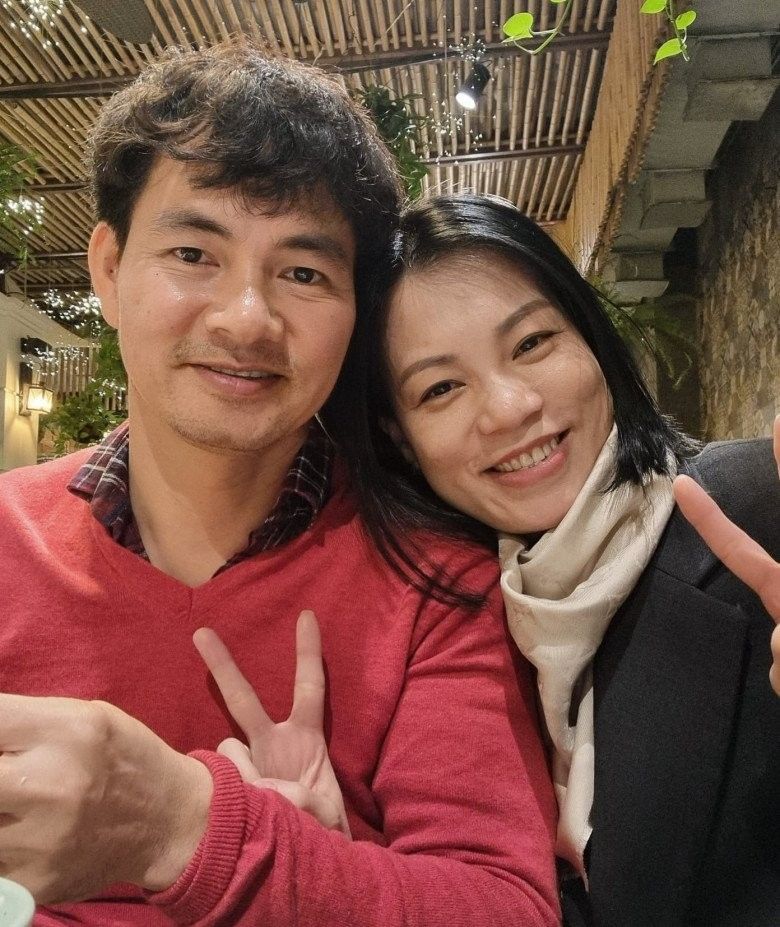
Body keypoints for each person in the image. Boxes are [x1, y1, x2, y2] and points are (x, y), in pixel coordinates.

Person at [0, 55, 561, 925]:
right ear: (108, 269)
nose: (247, 318)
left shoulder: (434, 582)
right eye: (193, 253)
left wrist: (186, 828)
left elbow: (505, 907)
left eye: (303, 273)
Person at [313, 194, 779, 927]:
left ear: (589, 337)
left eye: (531, 343)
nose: (508, 407)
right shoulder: (456, 632)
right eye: (441, 388)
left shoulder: (758, 512)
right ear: (399, 439)